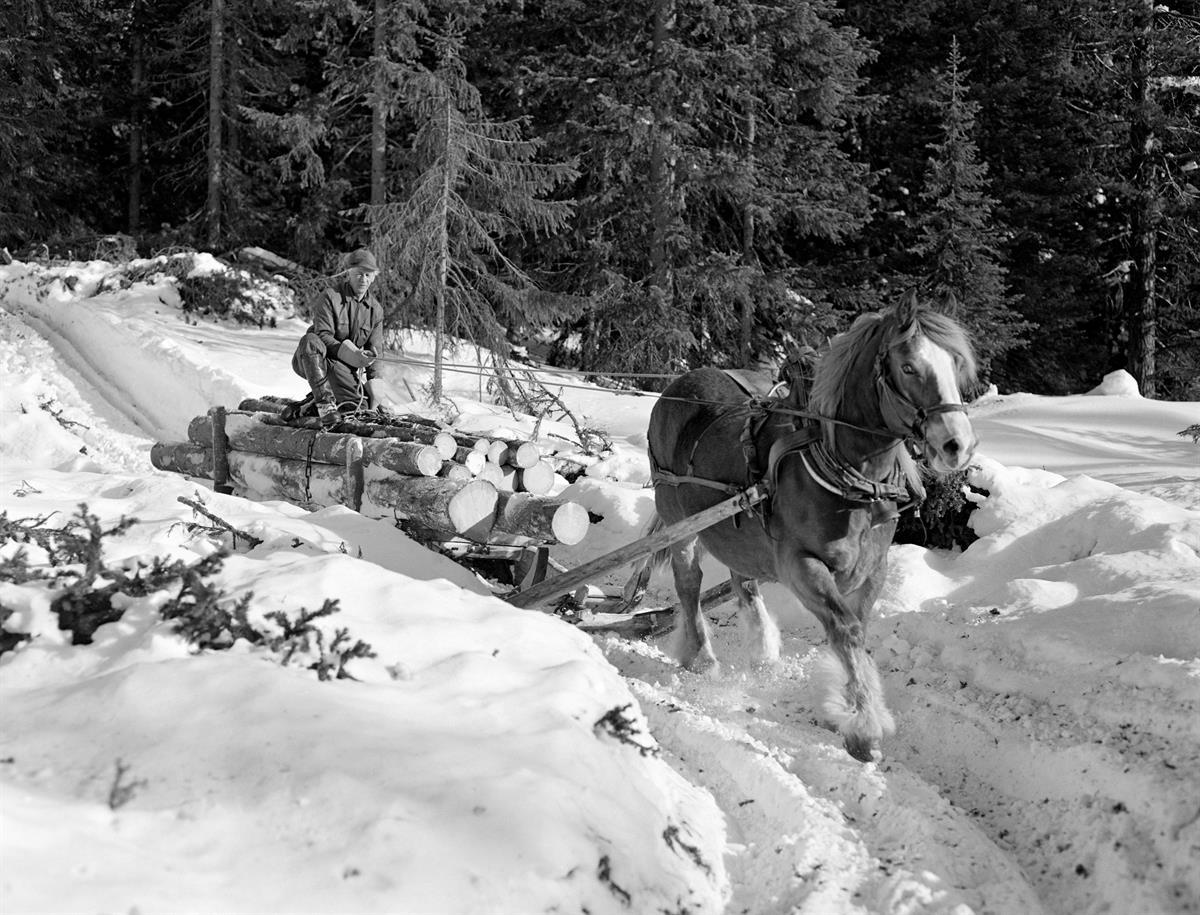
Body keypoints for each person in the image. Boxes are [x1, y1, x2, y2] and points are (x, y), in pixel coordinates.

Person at [287, 247, 386, 427]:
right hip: (314, 360)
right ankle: (324, 405)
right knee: (310, 339)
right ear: (348, 273)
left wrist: (376, 386)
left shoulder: (376, 310)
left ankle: (310, 405)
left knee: (359, 409)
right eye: (358, 274)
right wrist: (350, 352)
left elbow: (376, 350)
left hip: (341, 369)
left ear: (374, 276)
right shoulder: (330, 297)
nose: (363, 279)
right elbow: (322, 335)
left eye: (368, 274)